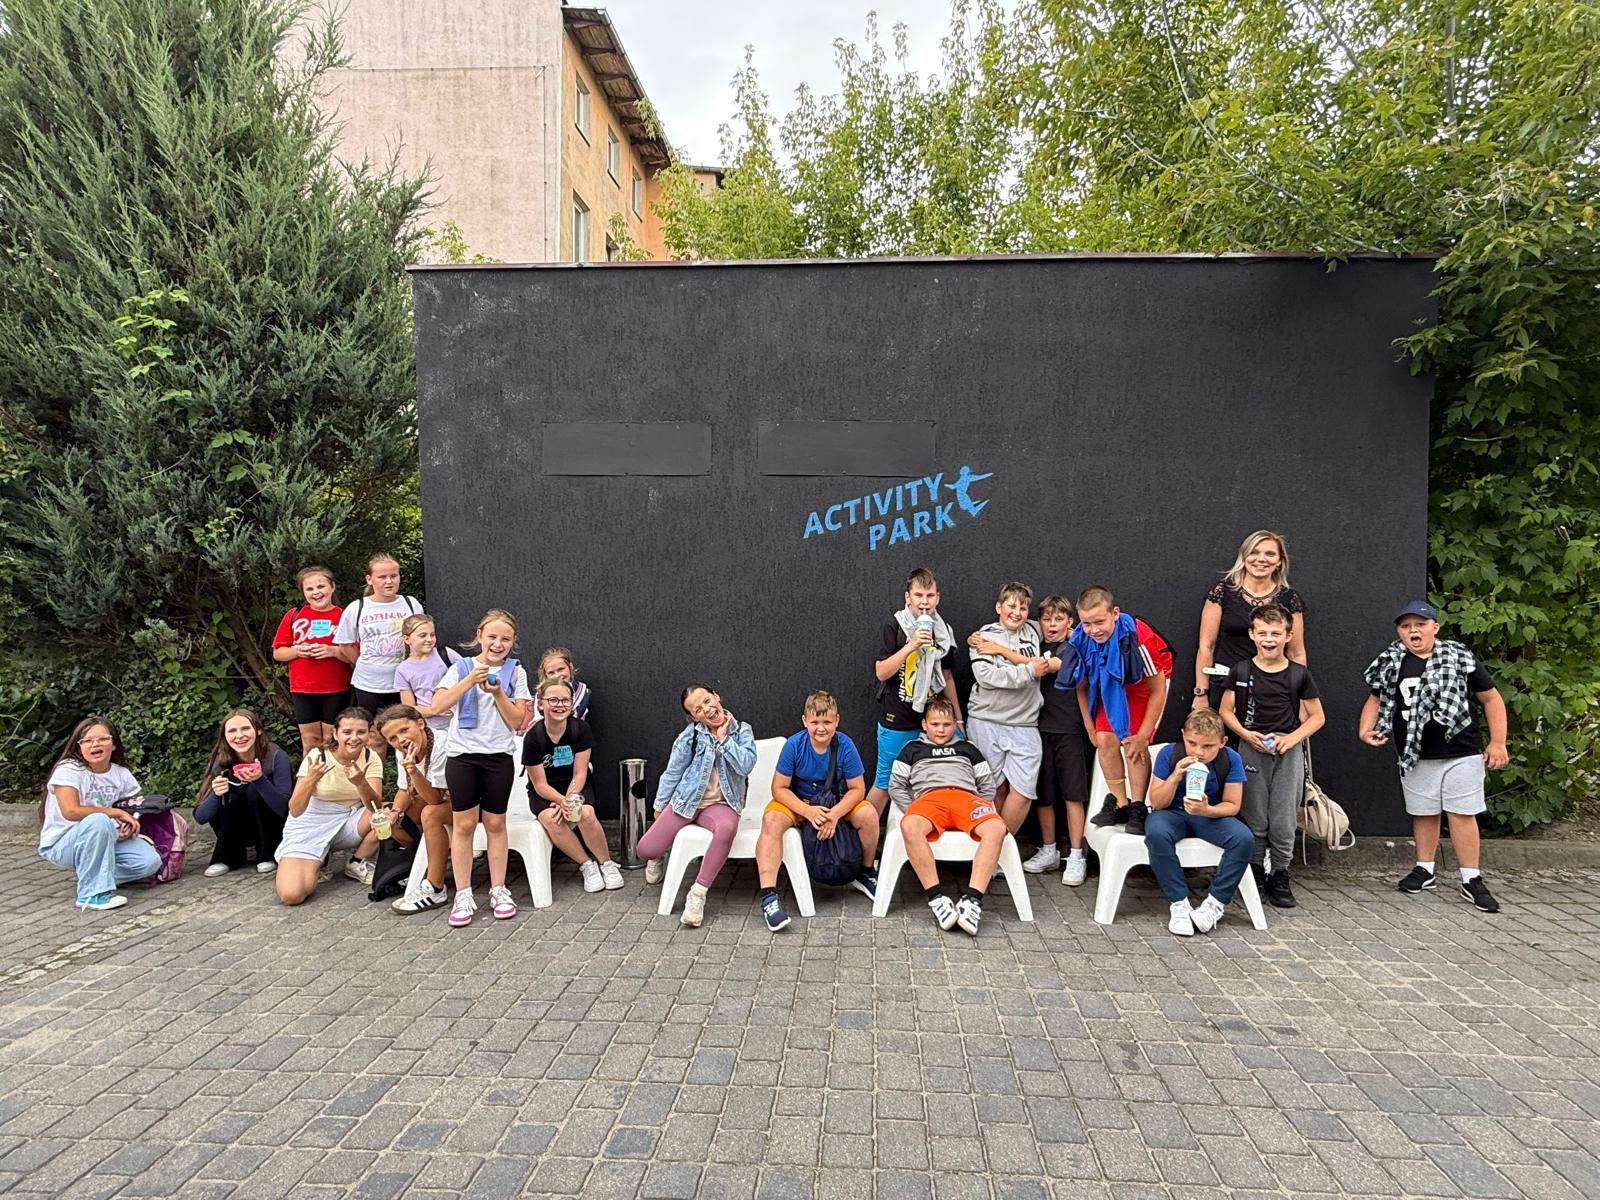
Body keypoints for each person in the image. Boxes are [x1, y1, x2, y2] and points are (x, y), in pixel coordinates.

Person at [1360, 600, 1509, 913]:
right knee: (1424, 811)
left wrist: (1498, 742)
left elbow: (1491, 698)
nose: (1413, 631)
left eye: (1421, 624)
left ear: (1435, 627)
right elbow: (1376, 698)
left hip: (1461, 750)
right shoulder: (1391, 661)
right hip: (1415, 753)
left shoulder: (1458, 657)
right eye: (1406, 626)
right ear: (1399, 632)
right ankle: (1424, 868)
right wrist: (1365, 729)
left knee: (1461, 812)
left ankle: (1471, 878)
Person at [426, 609, 533, 927]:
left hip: (498, 757)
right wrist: (469, 681)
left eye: (505, 639)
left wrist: (498, 692)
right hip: (463, 757)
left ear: (513, 642)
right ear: (479, 636)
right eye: (492, 637)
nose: (498, 644)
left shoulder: (516, 673)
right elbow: (437, 706)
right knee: (464, 825)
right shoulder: (460, 668)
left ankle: (498, 889)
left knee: (496, 823)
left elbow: (517, 721)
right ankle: (463, 893)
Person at [1218, 604, 1325, 908]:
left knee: (1283, 818)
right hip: (1251, 749)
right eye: (1262, 633)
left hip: (1287, 752)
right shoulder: (1241, 671)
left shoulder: (1299, 674)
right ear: (1252, 634)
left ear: (1288, 636)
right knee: (1254, 816)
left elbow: (1317, 717)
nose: (1269, 639)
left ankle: (1279, 872)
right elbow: (1225, 710)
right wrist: (1246, 734)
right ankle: (1253, 871)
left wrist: (1291, 739)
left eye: (1276, 633)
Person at [636, 685, 758, 928]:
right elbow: (673, 772)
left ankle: (698, 893)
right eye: (698, 709)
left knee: (726, 828)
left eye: (707, 700)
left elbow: (746, 765)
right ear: (694, 717)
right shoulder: (690, 737)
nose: (707, 709)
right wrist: (660, 806)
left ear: (716, 696)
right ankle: (658, 856)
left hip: (721, 804)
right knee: (645, 849)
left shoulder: (742, 731)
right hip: (686, 802)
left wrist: (724, 739)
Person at [756, 690, 879, 931]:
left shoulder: (845, 745)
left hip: (835, 803)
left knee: (869, 814)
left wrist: (835, 814)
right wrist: (808, 811)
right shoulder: (794, 745)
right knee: (771, 820)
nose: (820, 728)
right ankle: (769, 896)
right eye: (815, 722)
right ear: (805, 721)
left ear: (837, 721)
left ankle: (865, 872)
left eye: (827, 722)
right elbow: (778, 788)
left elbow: (858, 789)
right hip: (799, 803)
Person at [1057, 585, 1173, 836]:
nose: (1094, 630)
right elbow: (1081, 687)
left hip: (1143, 687)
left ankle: (1138, 807)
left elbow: (1157, 690)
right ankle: (1121, 803)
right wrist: (1089, 726)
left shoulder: (1139, 638)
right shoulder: (1080, 639)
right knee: (1104, 739)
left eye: (1100, 622)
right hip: (1108, 684)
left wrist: (1144, 735)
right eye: (1087, 623)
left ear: (1115, 613)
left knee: (1133, 743)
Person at [887, 697, 1005, 936]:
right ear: (924, 724)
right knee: (909, 825)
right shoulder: (911, 749)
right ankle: (937, 898)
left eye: (946, 724)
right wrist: (913, 807)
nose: (941, 730)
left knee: (996, 828)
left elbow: (987, 785)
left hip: (965, 798)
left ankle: (972, 900)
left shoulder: (968, 748)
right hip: (929, 799)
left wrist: (978, 806)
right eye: (935, 724)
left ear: (954, 725)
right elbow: (895, 785)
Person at [1146, 708, 1255, 937]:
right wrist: (1175, 776)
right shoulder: (1170, 753)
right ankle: (1179, 903)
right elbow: (1157, 802)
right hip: (1173, 813)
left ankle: (1214, 904)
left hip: (1209, 815)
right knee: (1156, 832)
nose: (1199, 752)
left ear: (1222, 742)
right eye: (1192, 743)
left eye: (1208, 746)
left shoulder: (1230, 759)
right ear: (1183, 735)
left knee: (1243, 838)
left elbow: (1233, 805)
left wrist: (1208, 810)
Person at [38, 717, 161, 911]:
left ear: (113, 744)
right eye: (87, 741)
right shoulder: (68, 770)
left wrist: (126, 825)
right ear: (79, 747)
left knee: (148, 862)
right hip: (63, 844)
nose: (95, 744)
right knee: (98, 820)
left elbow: (131, 808)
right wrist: (112, 813)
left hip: (105, 836)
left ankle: (93, 876)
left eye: (102, 739)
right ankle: (91, 894)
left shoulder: (121, 774)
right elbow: (71, 811)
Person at [868, 567, 964, 817]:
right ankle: (865, 839)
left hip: (932, 721)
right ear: (907, 597)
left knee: (937, 780)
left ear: (937, 598)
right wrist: (912, 645)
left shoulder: (943, 631)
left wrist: (958, 719)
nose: (924, 602)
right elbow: (881, 672)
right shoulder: (895, 625)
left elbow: (947, 677)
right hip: (897, 718)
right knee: (885, 782)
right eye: (919, 595)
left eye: (930, 596)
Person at [523, 677, 624, 893]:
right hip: (546, 792)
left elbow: (580, 772)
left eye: (565, 700)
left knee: (585, 813)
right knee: (552, 819)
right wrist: (560, 801)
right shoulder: (533, 737)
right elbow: (539, 784)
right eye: (553, 700)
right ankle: (586, 865)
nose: (559, 705)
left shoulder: (580, 729)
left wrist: (569, 800)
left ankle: (606, 863)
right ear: (541, 703)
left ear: (571, 703)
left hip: (576, 786)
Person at [965, 581, 1051, 834]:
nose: (1016, 613)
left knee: (1023, 792)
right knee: (993, 788)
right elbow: (987, 677)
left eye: (1023, 608)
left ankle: (1000, 848)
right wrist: (1029, 671)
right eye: (1011, 606)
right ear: (998, 607)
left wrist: (1070, 632)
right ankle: (987, 847)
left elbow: (1059, 626)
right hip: (986, 721)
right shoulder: (983, 637)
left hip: (1025, 723)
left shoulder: (1034, 629)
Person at [275, 708, 384, 906]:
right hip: (312, 822)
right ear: (335, 733)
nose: (354, 738)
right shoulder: (318, 756)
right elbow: (295, 810)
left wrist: (361, 783)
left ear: (370, 734)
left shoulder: (371, 757)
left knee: (388, 814)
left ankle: (356, 862)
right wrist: (310, 779)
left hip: (348, 820)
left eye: (361, 732)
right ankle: (318, 861)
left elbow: (375, 807)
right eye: (347, 732)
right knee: (292, 895)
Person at [1192, 530, 1307, 711]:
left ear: (1279, 561)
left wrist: (1301, 697)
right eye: (1254, 552)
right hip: (1225, 684)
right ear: (1244, 557)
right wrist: (1201, 692)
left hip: (1272, 687)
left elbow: (1296, 653)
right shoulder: (1222, 592)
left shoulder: (1289, 598)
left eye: (1270, 554)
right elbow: (1206, 646)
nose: (1261, 559)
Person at [1033, 595, 1094, 884]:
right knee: (1043, 794)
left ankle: (1077, 855)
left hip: (1070, 730)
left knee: (1073, 794)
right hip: (1037, 729)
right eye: (1046, 619)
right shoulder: (1032, 645)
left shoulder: (1074, 647)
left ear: (1070, 622)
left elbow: (1051, 666)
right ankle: (1049, 851)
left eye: (1059, 619)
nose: (1052, 624)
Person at [333, 552, 423, 741]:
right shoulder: (357, 607)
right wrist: (364, 662)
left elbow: (421, 637)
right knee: (374, 736)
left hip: (405, 682)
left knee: (407, 732)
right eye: (382, 577)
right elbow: (345, 644)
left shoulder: (410, 604)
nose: (389, 581)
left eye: (394, 576)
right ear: (369, 579)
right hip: (369, 683)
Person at [194, 708, 292, 877]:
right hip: (237, 829)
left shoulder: (276, 756)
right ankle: (227, 857)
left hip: (273, 827)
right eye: (232, 731)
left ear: (258, 730)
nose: (239, 736)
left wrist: (260, 780)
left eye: (245, 728)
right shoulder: (221, 761)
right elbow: (200, 817)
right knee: (228, 797)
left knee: (254, 791)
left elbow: (284, 808)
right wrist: (216, 794)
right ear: (225, 736)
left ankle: (267, 854)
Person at [376, 704, 454, 914]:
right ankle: (415, 866)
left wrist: (412, 769)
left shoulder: (442, 744)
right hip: (444, 801)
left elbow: (435, 799)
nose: (400, 740)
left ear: (420, 723)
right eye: (393, 738)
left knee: (430, 813)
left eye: (404, 730)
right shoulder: (403, 750)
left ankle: (436, 887)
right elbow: (405, 789)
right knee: (392, 817)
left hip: (474, 803)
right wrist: (394, 812)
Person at [271, 565, 352, 753]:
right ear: (303, 592)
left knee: (332, 740)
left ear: (332, 587)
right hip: (303, 688)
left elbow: (355, 656)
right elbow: (278, 652)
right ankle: (310, 773)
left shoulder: (344, 616)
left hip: (336, 688)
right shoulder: (294, 615)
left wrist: (333, 651)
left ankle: (334, 773)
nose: (316, 592)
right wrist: (297, 651)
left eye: (321, 586)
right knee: (310, 740)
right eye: (310, 588)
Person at [394, 615, 461, 733]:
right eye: (423, 635)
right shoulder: (403, 669)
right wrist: (434, 710)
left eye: (432, 635)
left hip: (457, 723)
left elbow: (469, 675)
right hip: (429, 728)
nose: (429, 639)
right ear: (407, 639)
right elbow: (409, 709)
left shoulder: (445, 654)